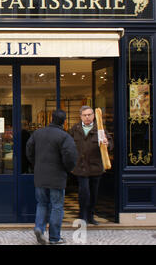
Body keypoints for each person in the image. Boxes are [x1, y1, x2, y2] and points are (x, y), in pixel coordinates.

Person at [26, 110, 78, 245]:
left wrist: (36, 164)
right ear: (64, 121)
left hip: (40, 176)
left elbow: (29, 151)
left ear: (51, 118)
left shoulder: (38, 133)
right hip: (57, 177)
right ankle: (54, 237)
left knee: (42, 204)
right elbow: (71, 157)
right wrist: (67, 169)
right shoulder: (64, 137)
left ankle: (39, 228)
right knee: (57, 206)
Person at [68, 105, 113, 225]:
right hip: (81, 167)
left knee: (93, 193)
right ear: (80, 116)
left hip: (95, 167)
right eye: (84, 115)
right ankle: (82, 216)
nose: (87, 117)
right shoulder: (75, 129)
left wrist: (107, 143)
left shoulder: (100, 129)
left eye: (89, 115)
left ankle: (91, 216)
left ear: (93, 115)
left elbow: (110, 143)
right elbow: (68, 146)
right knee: (84, 192)